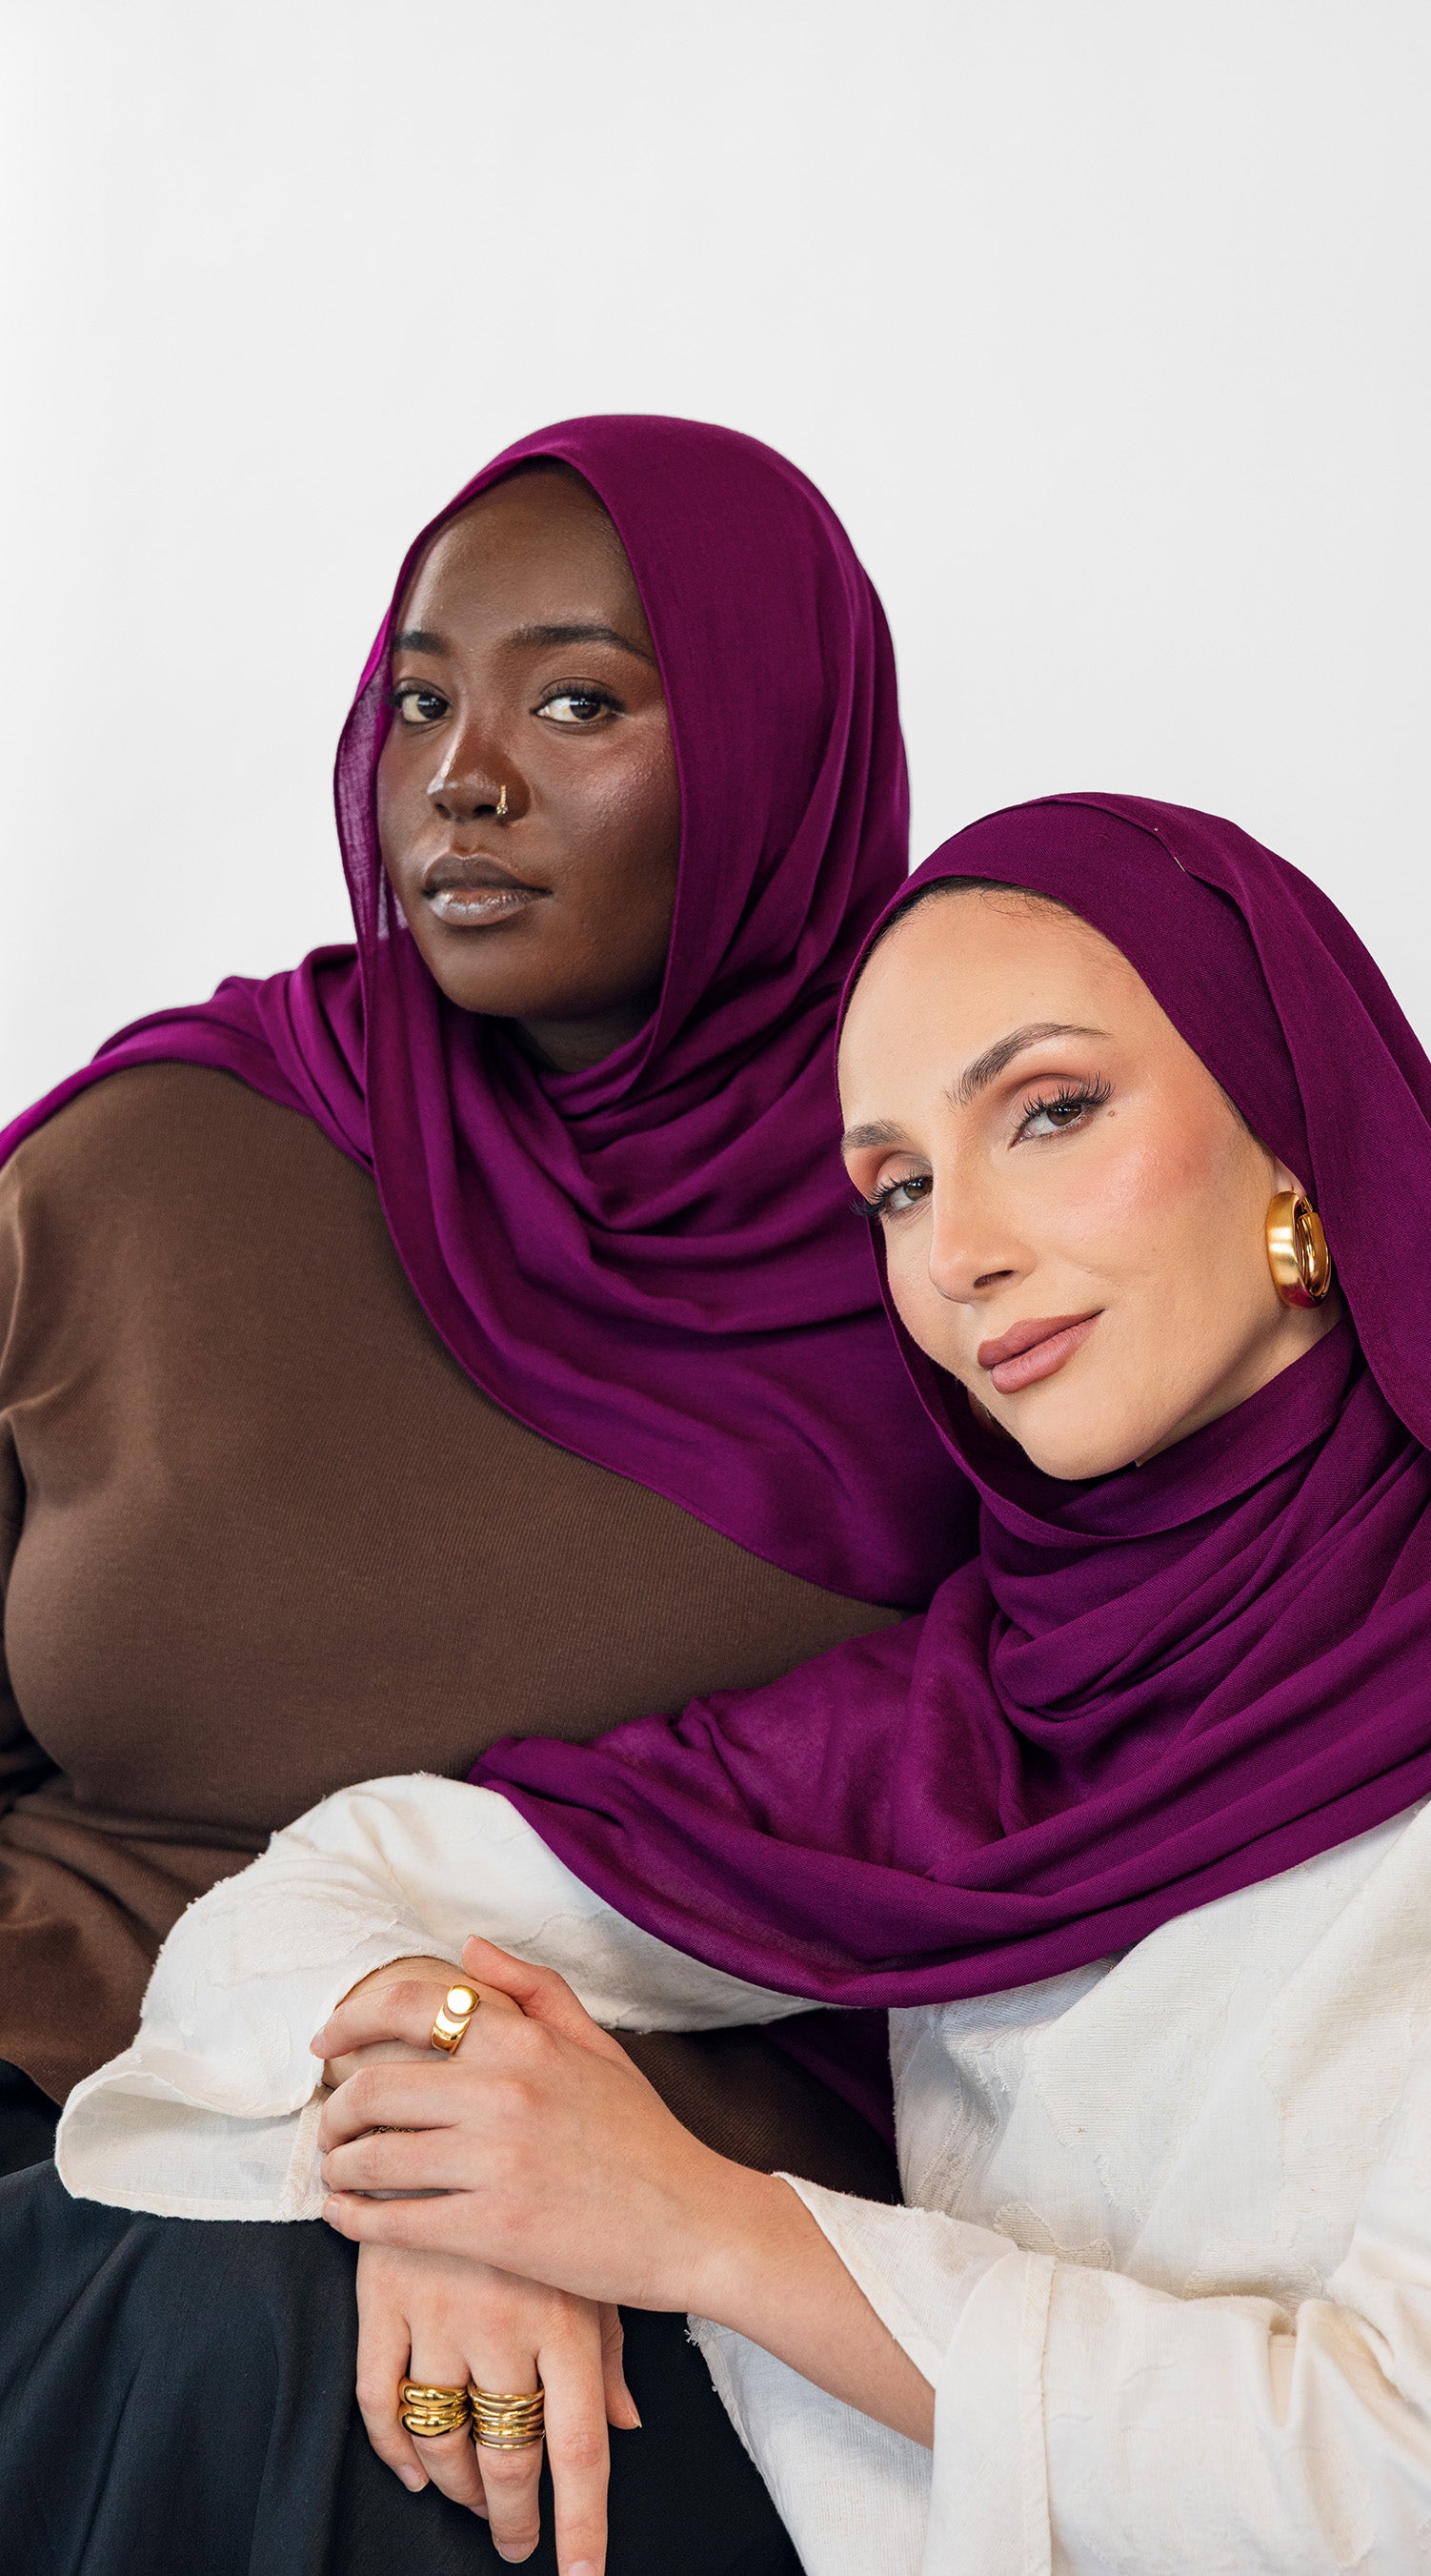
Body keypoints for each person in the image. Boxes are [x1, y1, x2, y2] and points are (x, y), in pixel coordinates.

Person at [19, 792, 1431, 2574]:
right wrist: (455, 2174)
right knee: (222, 2296)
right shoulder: (994, 1706)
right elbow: (334, 1887)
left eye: (1049, 1113)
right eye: (898, 1185)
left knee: (232, 2352)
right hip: (891, 2531)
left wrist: (695, 2226)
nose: (956, 1252)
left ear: (1297, 1136)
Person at [0, 418, 978, 2570]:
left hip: (667, 2160)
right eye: (420, 698)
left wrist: (496, 2152)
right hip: (63, 2073)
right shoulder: (156, 1160)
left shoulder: (952, 1235)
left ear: (783, 757)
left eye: (579, 699)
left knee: (267, 2344)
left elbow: (1014, 1839)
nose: (460, 777)